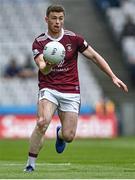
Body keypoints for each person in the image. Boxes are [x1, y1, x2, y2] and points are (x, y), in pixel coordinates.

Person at [24, 4, 128, 172]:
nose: (57, 22)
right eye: (54, 18)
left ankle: (60, 135)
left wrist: (113, 76)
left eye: (60, 18)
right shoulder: (40, 42)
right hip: (49, 88)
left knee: (69, 136)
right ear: (46, 19)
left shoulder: (74, 39)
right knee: (42, 122)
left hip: (71, 90)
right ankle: (30, 164)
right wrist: (50, 65)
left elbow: (94, 56)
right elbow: (42, 67)